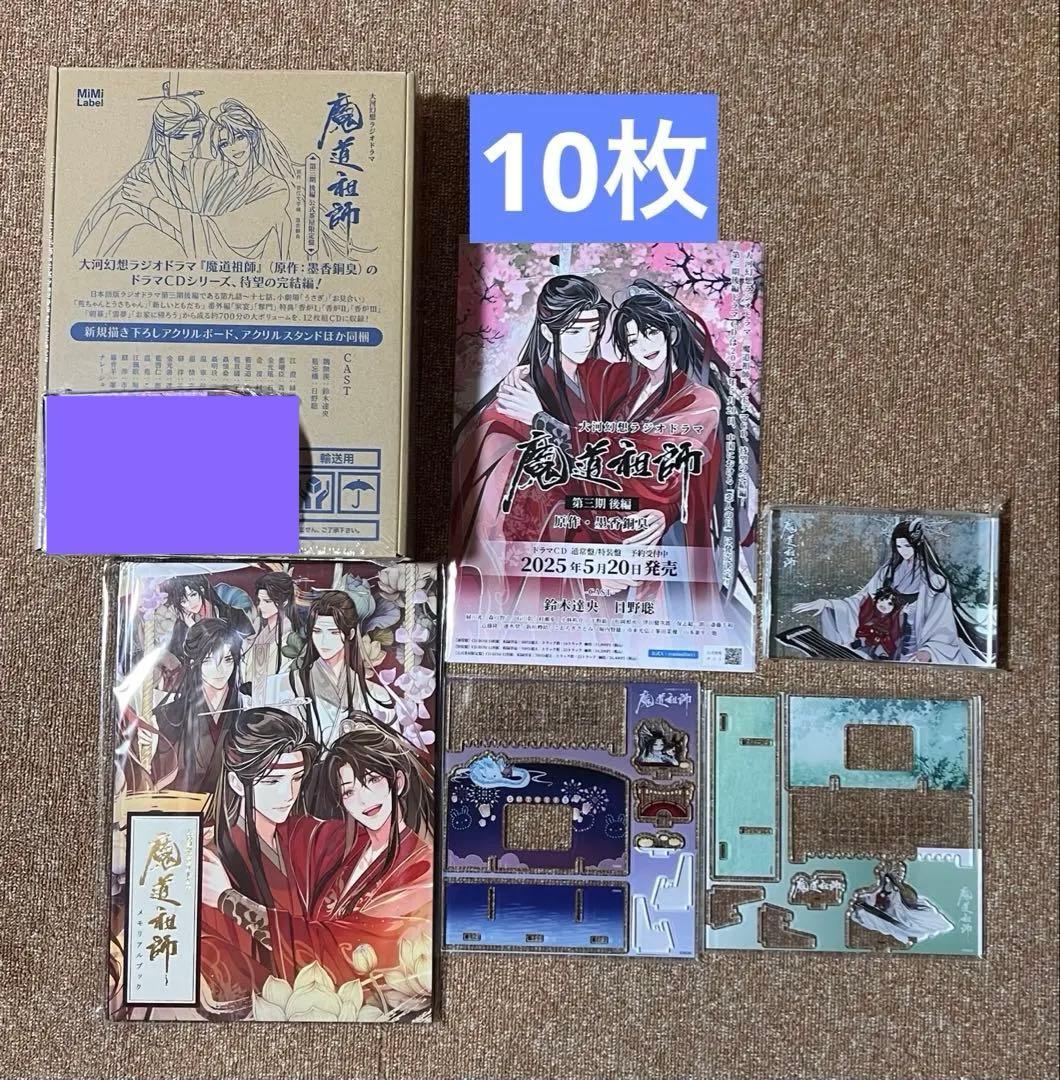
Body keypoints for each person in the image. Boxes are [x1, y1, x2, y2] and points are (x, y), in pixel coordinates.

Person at [599, 280, 759, 621]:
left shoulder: (700, 399)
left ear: (670, 333)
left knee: (660, 616)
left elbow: (660, 466)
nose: (643, 346)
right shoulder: (628, 392)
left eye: (650, 333)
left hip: (666, 530)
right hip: (616, 526)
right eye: (632, 340)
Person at [198, 706, 317, 1015]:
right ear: (237, 783)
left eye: (297, 778)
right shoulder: (214, 862)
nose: (289, 794)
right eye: (272, 781)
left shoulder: (301, 837)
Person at [792, 519, 990, 665]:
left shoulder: (935, 582)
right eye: (899, 546)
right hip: (882, 635)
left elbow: (942, 625)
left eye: (907, 546)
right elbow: (862, 600)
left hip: (913, 643)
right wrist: (829, 604)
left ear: (918, 545)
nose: (903, 551)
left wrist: (929, 651)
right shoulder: (887, 572)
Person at [264, 589, 394, 747]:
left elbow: (392, 752)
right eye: (317, 631)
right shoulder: (281, 687)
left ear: (351, 634)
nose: (324, 641)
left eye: (333, 632)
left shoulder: (377, 696)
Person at [150, 619, 245, 794]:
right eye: (208, 661)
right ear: (195, 662)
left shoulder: (247, 710)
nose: (220, 670)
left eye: (228, 660)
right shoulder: (168, 718)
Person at [849, 869, 953, 945]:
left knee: (900, 924)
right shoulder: (880, 887)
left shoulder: (916, 904)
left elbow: (909, 898)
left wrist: (897, 885)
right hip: (885, 909)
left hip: (899, 916)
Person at [244, 572, 298, 704]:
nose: (261, 606)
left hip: (275, 700)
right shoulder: (260, 630)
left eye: (267, 601)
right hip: (252, 698)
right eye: (260, 601)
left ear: (284, 602)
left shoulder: (289, 637)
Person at [851, 586, 908, 659]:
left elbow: (896, 628)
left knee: (885, 643)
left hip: (883, 636)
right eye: (882, 600)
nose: (884, 605)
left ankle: (882, 653)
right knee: (865, 633)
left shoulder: (892, 618)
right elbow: (864, 615)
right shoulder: (872, 611)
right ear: (876, 599)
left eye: (890, 604)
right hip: (869, 632)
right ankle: (860, 642)